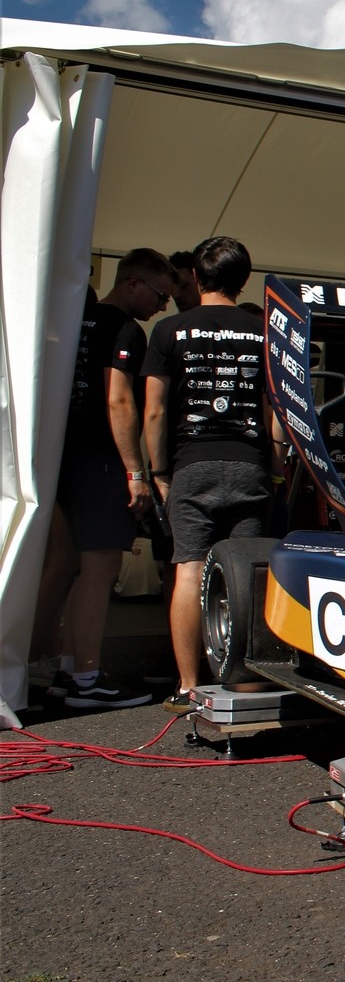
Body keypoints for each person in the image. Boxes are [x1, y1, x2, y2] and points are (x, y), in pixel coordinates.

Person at [143, 237, 278, 711]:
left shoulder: (168, 330)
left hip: (191, 463)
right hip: (249, 463)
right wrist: (275, 465)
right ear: (243, 281)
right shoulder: (263, 332)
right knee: (249, 572)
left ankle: (187, 685)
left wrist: (159, 471)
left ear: (197, 277)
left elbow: (155, 411)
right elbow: (274, 411)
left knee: (188, 569)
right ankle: (246, 680)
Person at [39, 249, 178, 709]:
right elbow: (118, 399)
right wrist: (135, 471)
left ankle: (67, 671)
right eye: (159, 295)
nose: (162, 305)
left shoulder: (77, 321)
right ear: (133, 282)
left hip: (63, 458)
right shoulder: (125, 329)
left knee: (76, 568)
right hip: (99, 460)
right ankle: (86, 679)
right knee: (100, 570)